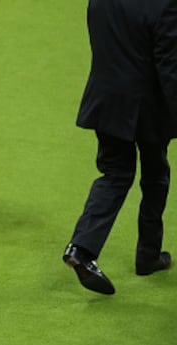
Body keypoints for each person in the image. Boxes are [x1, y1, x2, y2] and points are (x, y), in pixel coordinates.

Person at [62, 0, 177, 295]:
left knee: (114, 174)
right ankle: (148, 255)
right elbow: (170, 67)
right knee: (155, 176)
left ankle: (81, 248)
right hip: (149, 108)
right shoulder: (164, 5)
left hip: (106, 100)